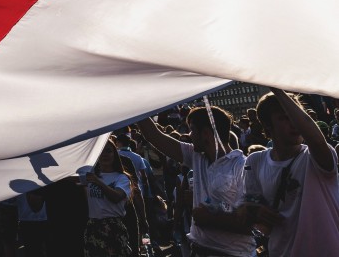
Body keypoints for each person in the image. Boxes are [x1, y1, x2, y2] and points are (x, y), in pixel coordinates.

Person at [137, 105, 255, 257]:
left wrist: (210, 218)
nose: (189, 134)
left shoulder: (242, 166)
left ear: (206, 133)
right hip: (199, 249)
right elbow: (153, 135)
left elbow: (249, 223)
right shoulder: (196, 156)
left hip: (233, 253)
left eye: (192, 129)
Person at [242, 88, 339, 256]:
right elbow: (251, 207)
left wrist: (277, 89)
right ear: (267, 125)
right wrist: (255, 211)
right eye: (284, 118)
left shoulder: (314, 156)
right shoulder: (255, 161)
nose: (294, 123)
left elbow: (315, 139)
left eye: (295, 116)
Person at [82, 141, 133, 257]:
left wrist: (97, 181)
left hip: (113, 227)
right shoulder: (90, 175)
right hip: (93, 226)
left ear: (115, 154)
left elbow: (117, 197)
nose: (105, 154)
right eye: (101, 151)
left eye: (108, 151)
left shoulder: (121, 177)